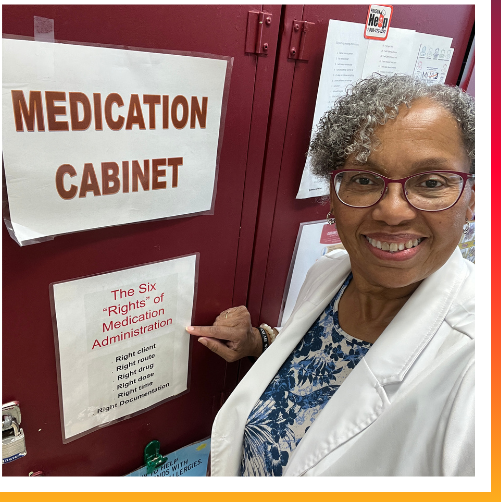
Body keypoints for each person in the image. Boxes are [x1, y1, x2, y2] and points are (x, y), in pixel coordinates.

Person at [191, 76, 475, 476]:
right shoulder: (329, 274)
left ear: (472, 200)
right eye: (364, 180)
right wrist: (259, 342)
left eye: (430, 182)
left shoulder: (476, 371)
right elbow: (310, 362)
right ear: (334, 194)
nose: (393, 212)